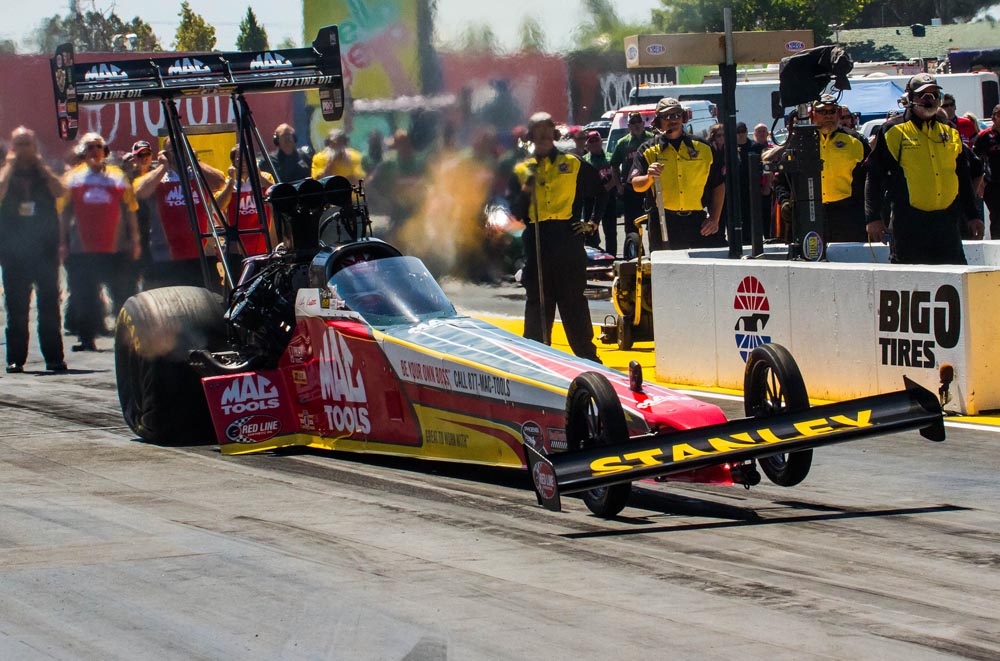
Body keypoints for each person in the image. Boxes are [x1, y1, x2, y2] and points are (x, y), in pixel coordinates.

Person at [507, 111, 606, 363]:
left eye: (546, 131)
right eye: (537, 132)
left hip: (567, 236)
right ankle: (535, 363)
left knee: (573, 299)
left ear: (554, 134)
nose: (542, 136)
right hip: (537, 238)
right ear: (530, 137)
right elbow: (515, 212)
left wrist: (591, 223)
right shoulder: (522, 170)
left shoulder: (572, 164)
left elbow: (601, 192)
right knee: (538, 301)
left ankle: (588, 358)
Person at [865, 74, 983, 265]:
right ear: (910, 99)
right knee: (912, 281)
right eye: (923, 96)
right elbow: (874, 175)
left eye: (934, 95)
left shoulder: (950, 131)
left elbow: (962, 175)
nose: (929, 101)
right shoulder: (893, 129)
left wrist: (973, 215)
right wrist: (873, 218)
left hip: (947, 223)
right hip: (909, 222)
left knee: (955, 278)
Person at [60, 132, 140, 352]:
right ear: (82, 153)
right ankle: (87, 338)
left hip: (115, 248)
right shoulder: (72, 178)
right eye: (89, 147)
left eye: (98, 146)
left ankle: (127, 339)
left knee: (122, 294)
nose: (94, 150)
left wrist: (134, 240)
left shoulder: (117, 177)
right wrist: (62, 243)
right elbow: (64, 213)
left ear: (105, 151)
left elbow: (130, 210)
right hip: (82, 249)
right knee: (85, 296)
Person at [0, 126, 67, 372]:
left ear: (35, 146)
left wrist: (41, 165)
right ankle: (16, 359)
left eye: (27, 144)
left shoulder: (44, 172)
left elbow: (61, 191)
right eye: (18, 144)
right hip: (13, 253)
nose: (23, 150)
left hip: (44, 252)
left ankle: (54, 357)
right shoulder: (6, 173)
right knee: (16, 309)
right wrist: (8, 165)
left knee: (49, 306)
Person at [629, 98, 725, 251]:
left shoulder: (703, 147)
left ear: (684, 118)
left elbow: (718, 184)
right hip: (663, 221)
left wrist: (714, 218)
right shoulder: (648, 149)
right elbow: (636, 185)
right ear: (658, 121)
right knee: (666, 272)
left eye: (676, 115)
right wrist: (649, 177)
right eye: (667, 116)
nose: (672, 120)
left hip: (697, 221)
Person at [775, 95, 870, 244]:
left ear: (838, 114)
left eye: (832, 111)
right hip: (809, 213)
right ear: (812, 114)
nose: (828, 116)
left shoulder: (856, 140)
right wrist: (785, 201)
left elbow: (871, 179)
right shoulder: (800, 141)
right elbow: (782, 178)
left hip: (847, 215)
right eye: (822, 112)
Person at [134, 138, 227, 289]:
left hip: (202, 253)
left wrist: (194, 161)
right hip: (168, 257)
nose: (180, 154)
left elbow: (219, 181)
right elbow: (140, 192)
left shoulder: (198, 174)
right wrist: (163, 166)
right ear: (165, 153)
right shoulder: (159, 176)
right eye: (174, 150)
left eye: (183, 149)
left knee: (211, 297)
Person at [214, 145, 276, 257]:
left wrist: (259, 177)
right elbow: (218, 207)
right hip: (238, 245)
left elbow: (277, 194)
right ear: (233, 162)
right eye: (239, 159)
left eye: (247, 158)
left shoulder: (265, 178)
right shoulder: (227, 183)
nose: (243, 162)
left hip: (263, 240)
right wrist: (231, 182)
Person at [610, 111, 654, 240]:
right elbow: (614, 165)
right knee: (632, 223)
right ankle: (633, 251)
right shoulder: (623, 143)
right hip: (631, 188)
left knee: (653, 220)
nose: (636, 125)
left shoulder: (652, 139)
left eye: (638, 122)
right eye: (633, 123)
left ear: (643, 123)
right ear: (628, 126)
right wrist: (618, 186)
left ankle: (655, 250)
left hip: (650, 187)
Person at [582, 130, 618, 256]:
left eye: (596, 141)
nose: (594, 144)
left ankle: (612, 255)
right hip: (591, 199)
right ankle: (593, 253)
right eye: (590, 142)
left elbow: (616, 175)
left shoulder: (610, 157)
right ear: (587, 145)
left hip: (609, 197)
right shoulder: (584, 161)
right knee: (590, 229)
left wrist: (608, 187)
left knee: (611, 230)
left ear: (600, 142)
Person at [973, 104, 1000, 229]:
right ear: (993, 118)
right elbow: (976, 160)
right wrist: (980, 183)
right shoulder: (984, 136)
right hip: (993, 185)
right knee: (996, 218)